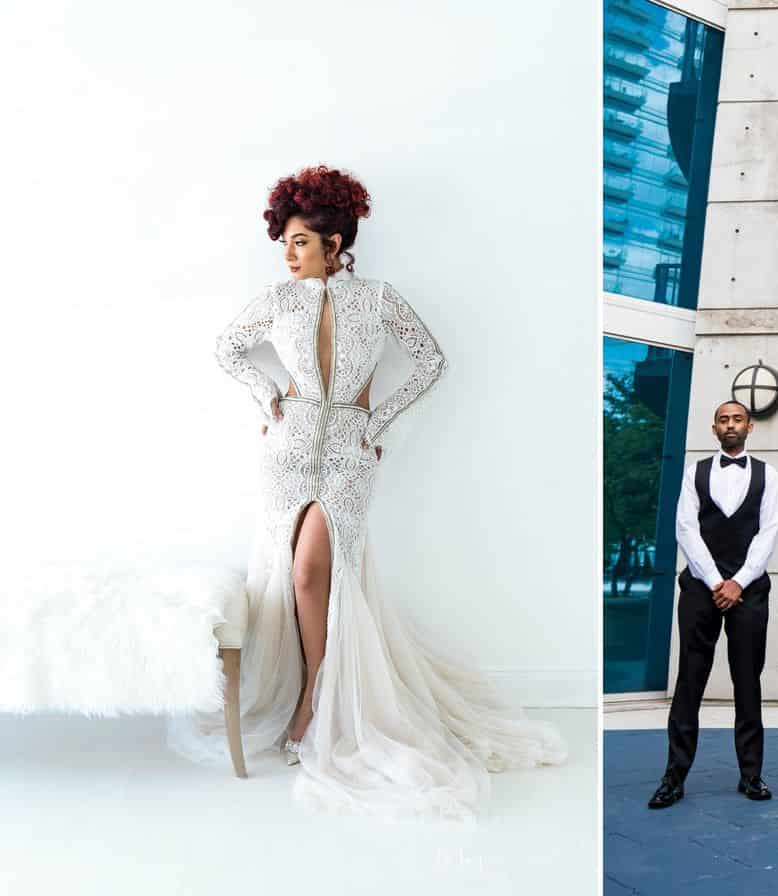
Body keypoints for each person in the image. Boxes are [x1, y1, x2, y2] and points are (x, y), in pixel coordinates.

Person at [180, 165, 566, 819]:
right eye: (285, 241)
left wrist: (376, 422)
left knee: (314, 573)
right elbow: (227, 350)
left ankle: (320, 705)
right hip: (289, 446)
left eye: (300, 240)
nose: (289, 252)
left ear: (334, 243)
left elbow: (431, 361)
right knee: (289, 575)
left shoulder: (380, 298)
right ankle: (303, 695)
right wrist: (266, 394)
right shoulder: (276, 300)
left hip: (351, 454)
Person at [649, 400, 778, 808]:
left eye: (737, 419)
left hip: (750, 589)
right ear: (714, 428)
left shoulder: (768, 474)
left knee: (748, 682)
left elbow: (769, 531)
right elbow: (686, 529)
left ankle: (751, 775)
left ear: (749, 427)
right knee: (690, 679)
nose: (730, 425)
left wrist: (738, 582)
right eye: (723, 420)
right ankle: (674, 776)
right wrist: (714, 581)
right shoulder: (696, 472)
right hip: (699, 589)